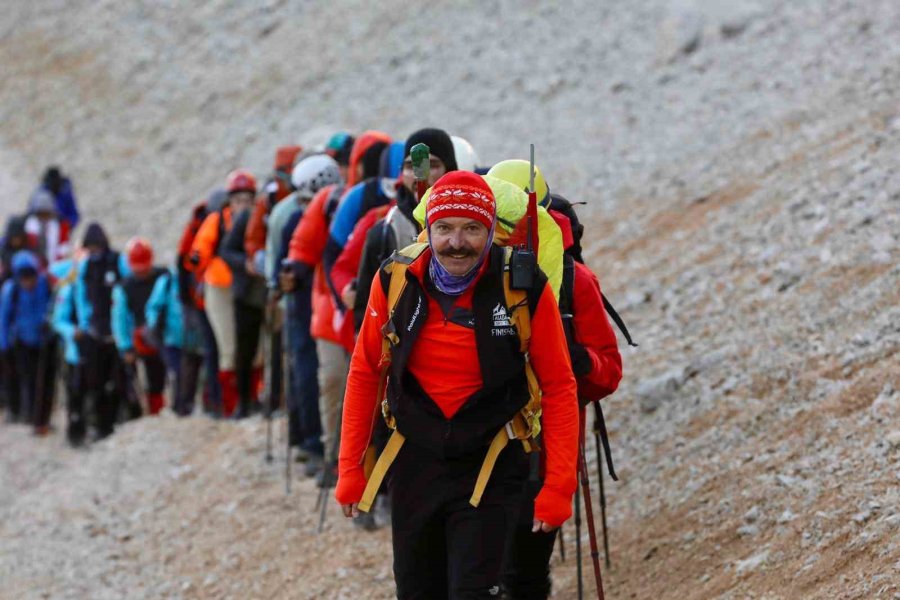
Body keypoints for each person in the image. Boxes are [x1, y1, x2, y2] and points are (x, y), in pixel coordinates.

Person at [336, 171, 579, 599]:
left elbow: (559, 385)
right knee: (417, 590)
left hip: (492, 460)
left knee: (472, 591)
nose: (456, 242)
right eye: (444, 228)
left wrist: (558, 486)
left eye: (471, 228)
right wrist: (352, 467)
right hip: (414, 461)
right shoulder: (395, 280)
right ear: (428, 229)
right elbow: (365, 373)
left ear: (491, 232)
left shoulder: (521, 286)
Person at [267, 154, 343, 466]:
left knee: (307, 371)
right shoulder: (340, 209)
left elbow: (285, 267)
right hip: (323, 306)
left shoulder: (293, 218)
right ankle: (312, 442)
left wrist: (280, 285)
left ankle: (309, 441)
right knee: (314, 374)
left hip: (305, 306)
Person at [347, 128, 458, 330]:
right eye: (410, 166)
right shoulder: (384, 228)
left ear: (449, 169)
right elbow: (366, 305)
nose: (419, 174)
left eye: (432, 164)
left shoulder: (469, 227)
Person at [189, 170, 257, 417]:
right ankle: (232, 404)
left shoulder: (255, 220)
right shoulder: (217, 221)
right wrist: (198, 257)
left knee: (254, 347)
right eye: (239, 200)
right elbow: (200, 248)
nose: (243, 205)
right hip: (220, 288)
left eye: (248, 200)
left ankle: (252, 397)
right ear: (230, 201)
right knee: (228, 347)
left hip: (247, 288)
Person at [73, 222, 130, 438]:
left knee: (118, 381)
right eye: (90, 247)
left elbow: (127, 291)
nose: (94, 251)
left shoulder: (118, 261)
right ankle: (101, 425)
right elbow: (82, 298)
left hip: (117, 334)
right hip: (95, 333)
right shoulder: (86, 267)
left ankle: (121, 421)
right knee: (95, 383)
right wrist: (86, 325)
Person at [112, 238, 169, 416]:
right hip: (139, 340)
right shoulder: (124, 287)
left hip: (165, 334)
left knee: (163, 376)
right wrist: (125, 346)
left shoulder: (164, 277)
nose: (142, 274)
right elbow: (119, 319)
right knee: (144, 380)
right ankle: (149, 412)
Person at [0, 250, 55, 431]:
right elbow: (4, 318)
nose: (28, 282)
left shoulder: (45, 284)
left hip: (44, 341)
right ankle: (30, 415)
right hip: (22, 343)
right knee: (28, 379)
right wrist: (4, 345)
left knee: (45, 382)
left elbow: (53, 305)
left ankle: (42, 418)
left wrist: (50, 325)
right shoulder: (11, 290)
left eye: (30, 277)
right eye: (24, 278)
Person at [25, 189, 71, 267]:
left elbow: (63, 247)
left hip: (54, 265)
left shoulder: (59, 225)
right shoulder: (30, 225)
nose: (44, 217)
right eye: (41, 214)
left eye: (46, 214)